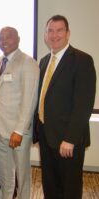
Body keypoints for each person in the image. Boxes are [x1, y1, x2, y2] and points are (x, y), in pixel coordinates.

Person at [35, 15, 96, 199]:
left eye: (59, 30)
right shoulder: (45, 61)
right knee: (50, 184)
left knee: (69, 187)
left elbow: (83, 104)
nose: (54, 35)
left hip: (67, 140)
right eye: (50, 31)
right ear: (45, 35)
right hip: (46, 136)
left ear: (68, 33)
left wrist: (70, 139)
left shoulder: (82, 60)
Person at [0, 27, 39, 199]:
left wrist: (19, 130)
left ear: (18, 39)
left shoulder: (28, 62)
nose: (4, 41)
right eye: (1, 37)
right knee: (5, 174)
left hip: (17, 131)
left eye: (9, 37)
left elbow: (30, 98)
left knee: (22, 174)